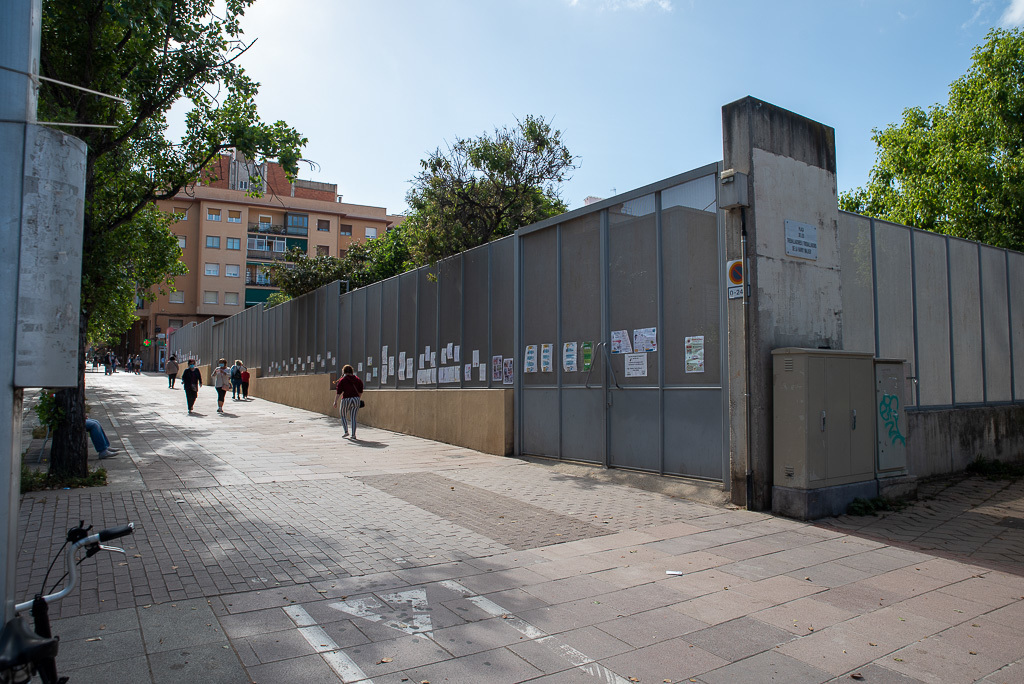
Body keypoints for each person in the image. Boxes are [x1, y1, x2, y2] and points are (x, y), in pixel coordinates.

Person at [333, 364, 364, 439]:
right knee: (353, 417)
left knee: (343, 415)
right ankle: (353, 434)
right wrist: (357, 399)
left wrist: (335, 401)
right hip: (356, 399)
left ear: (344, 372)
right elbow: (360, 391)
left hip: (346, 399)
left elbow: (339, 392)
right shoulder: (357, 379)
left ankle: (346, 431)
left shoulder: (343, 380)